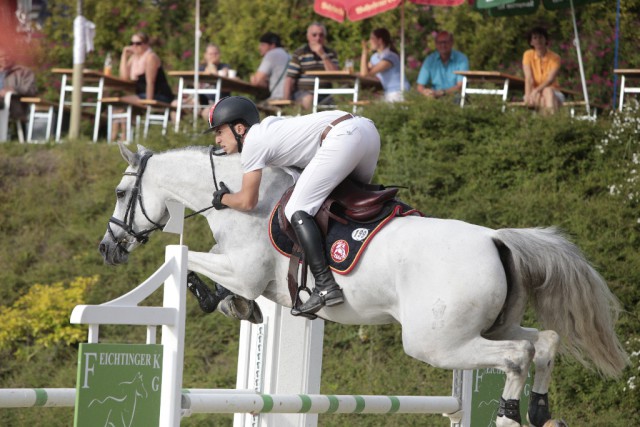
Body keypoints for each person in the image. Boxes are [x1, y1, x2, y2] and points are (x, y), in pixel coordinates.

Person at [205, 96, 380, 317]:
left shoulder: (253, 143)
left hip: (343, 137)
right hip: (367, 131)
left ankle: (326, 285)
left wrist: (223, 199)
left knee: (296, 208)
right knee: (349, 200)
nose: (217, 139)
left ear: (239, 128)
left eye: (219, 131)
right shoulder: (272, 130)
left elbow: (248, 202)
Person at [116, 32, 174, 140]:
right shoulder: (134, 58)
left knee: (122, 102)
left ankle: (122, 139)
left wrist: (148, 103)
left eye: (138, 43)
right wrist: (124, 55)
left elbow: (150, 82)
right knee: (120, 106)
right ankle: (120, 139)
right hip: (142, 94)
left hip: (158, 95)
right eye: (132, 43)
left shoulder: (150, 57)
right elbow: (124, 77)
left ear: (146, 44)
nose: (134, 46)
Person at [283, 22, 339, 110]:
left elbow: (335, 75)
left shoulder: (330, 53)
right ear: (308, 36)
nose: (318, 38)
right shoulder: (300, 53)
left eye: (321, 35)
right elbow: (290, 78)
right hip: (303, 93)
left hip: (324, 94)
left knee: (341, 100)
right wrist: (285, 101)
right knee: (309, 98)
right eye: (314, 35)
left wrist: (323, 55)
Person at [359, 28, 409, 103]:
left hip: (399, 92)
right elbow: (364, 72)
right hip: (388, 92)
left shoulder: (391, 56)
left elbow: (365, 74)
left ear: (380, 40)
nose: (369, 41)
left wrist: (364, 52)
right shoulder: (374, 57)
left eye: (372, 38)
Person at [522, 27, 564, 114]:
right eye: (535, 38)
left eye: (541, 37)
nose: (538, 40)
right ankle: (551, 123)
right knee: (541, 100)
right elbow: (529, 78)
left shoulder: (555, 58)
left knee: (547, 91)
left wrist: (536, 90)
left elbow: (550, 80)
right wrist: (528, 95)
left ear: (546, 40)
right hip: (534, 93)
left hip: (554, 92)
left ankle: (546, 124)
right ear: (531, 42)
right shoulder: (527, 55)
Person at [416, 31, 469, 99]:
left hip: (455, 96)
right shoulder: (430, 60)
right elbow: (420, 86)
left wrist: (442, 92)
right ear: (436, 44)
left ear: (452, 43)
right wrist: (425, 92)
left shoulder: (461, 59)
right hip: (434, 97)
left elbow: (460, 86)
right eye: (439, 43)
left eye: (445, 42)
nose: (442, 45)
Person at [0, 46, 37, 122]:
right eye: (1, 56)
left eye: (7, 56)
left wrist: (14, 89)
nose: (4, 59)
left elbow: (32, 90)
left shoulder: (23, 72)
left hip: (12, 106)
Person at [250, 32, 290, 100]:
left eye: (263, 45)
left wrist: (253, 78)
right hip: (291, 98)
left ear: (272, 45)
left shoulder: (272, 54)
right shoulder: (289, 56)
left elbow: (257, 81)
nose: (259, 48)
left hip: (277, 98)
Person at [197, 43, 231, 119]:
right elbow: (195, 85)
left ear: (219, 55)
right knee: (177, 106)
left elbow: (219, 75)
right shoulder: (200, 69)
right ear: (205, 55)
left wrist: (211, 65)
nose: (213, 56)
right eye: (211, 54)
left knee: (207, 113)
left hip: (218, 102)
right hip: (200, 101)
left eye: (215, 53)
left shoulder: (224, 67)